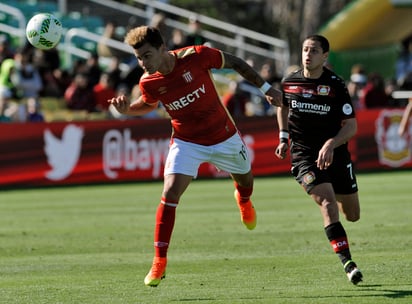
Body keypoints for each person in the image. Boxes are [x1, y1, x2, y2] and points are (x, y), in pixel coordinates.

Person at [109, 25, 282, 287]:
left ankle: (243, 199)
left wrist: (266, 87)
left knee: (246, 181)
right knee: (170, 193)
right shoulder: (149, 81)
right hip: (186, 141)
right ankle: (159, 261)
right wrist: (126, 110)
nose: (142, 63)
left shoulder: (197, 55)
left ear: (162, 49)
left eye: (146, 56)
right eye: (138, 58)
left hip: (223, 136)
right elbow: (147, 104)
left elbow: (235, 62)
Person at [275, 35, 363, 285]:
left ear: (325, 56)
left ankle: (341, 236)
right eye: (305, 49)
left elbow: (351, 125)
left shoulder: (335, 85)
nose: (307, 54)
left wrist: (331, 143)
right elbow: (282, 105)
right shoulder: (289, 81)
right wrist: (283, 137)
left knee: (353, 215)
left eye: (314, 50)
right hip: (304, 155)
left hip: (336, 153)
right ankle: (348, 263)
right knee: (327, 202)